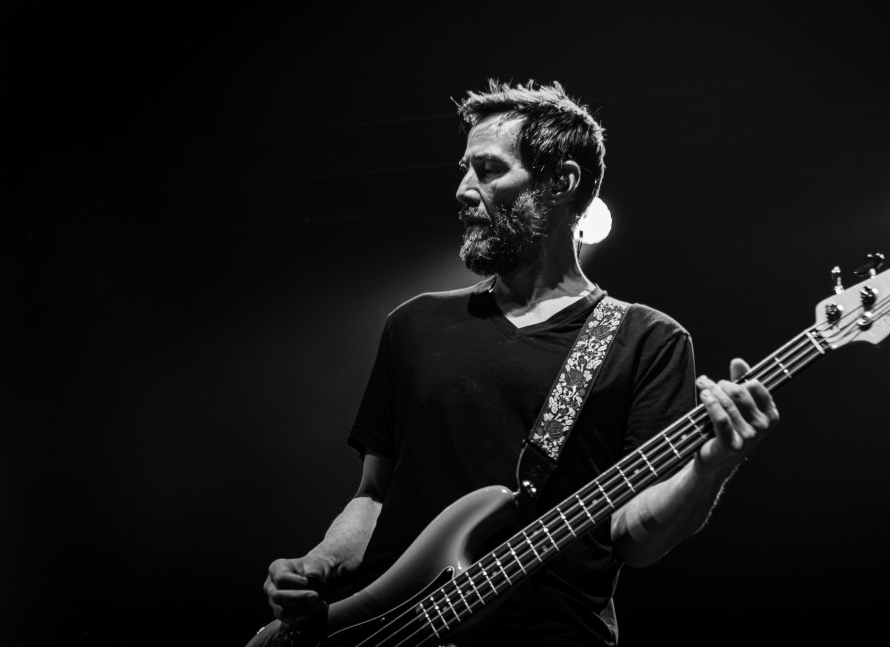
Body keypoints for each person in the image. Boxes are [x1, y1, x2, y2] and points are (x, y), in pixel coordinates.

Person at [254, 80, 780, 646]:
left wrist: (712, 467)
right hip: (387, 631)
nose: (463, 190)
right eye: (465, 169)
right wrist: (318, 563)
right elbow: (374, 496)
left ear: (562, 181)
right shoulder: (415, 324)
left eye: (488, 170)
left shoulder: (647, 340)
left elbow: (635, 539)